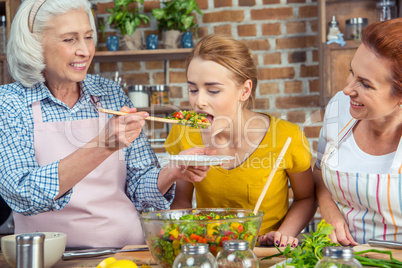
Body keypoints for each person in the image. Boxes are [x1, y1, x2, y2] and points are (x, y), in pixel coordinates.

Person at [0, 0, 213, 248]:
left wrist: (172, 171)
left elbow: (139, 189)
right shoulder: (10, 103)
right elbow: (22, 194)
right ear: (34, 43)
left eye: (88, 37)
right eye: (70, 39)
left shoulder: (109, 92)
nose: (85, 50)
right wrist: (102, 145)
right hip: (51, 257)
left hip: (128, 252)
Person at [164, 34, 317, 247]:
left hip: (264, 253)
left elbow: (306, 198)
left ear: (244, 91)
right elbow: (181, 200)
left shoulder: (287, 137)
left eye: (213, 90)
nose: (198, 101)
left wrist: (282, 235)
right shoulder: (183, 134)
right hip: (208, 250)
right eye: (193, 89)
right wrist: (179, 235)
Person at [314, 18, 402, 246]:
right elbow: (319, 170)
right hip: (341, 257)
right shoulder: (339, 107)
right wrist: (328, 209)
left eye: (365, 84)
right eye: (351, 72)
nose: (347, 89)